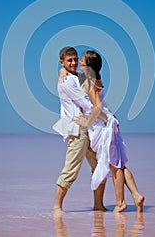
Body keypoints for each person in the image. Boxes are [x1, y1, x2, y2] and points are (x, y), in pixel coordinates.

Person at [73, 50, 145, 213]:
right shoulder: (95, 79)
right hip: (110, 123)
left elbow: (97, 107)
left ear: (89, 65)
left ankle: (120, 203)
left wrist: (86, 121)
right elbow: (73, 75)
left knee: (114, 165)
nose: (80, 63)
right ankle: (136, 195)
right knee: (119, 164)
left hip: (103, 127)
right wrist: (62, 70)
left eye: (83, 61)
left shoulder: (89, 82)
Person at [52, 47, 108, 216]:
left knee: (99, 166)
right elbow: (88, 103)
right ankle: (57, 207)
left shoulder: (78, 76)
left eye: (76, 59)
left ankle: (98, 205)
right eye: (69, 61)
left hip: (90, 126)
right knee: (71, 169)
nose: (74, 63)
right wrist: (106, 117)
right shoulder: (66, 81)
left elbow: (97, 86)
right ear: (62, 61)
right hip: (78, 129)